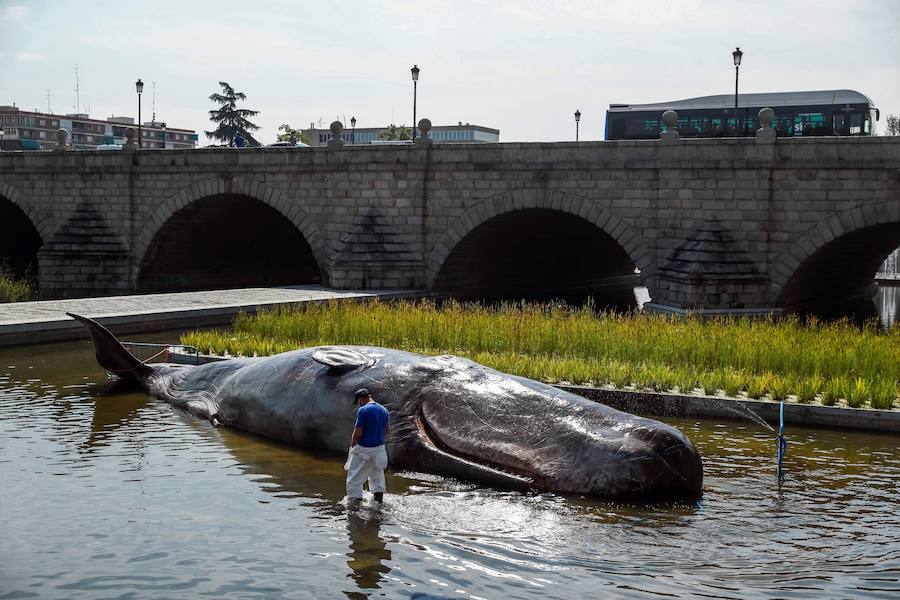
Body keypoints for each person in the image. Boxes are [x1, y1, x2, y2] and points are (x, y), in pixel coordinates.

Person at [345, 388, 390, 503]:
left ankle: (355, 507)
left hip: (364, 450)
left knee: (353, 479)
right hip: (379, 450)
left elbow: (358, 432)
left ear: (361, 399)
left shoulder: (363, 410)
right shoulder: (384, 410)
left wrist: (353, 444)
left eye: (358, 402)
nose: (358, 405)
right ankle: (378, 503)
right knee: (377, 476)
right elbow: (387, 430)